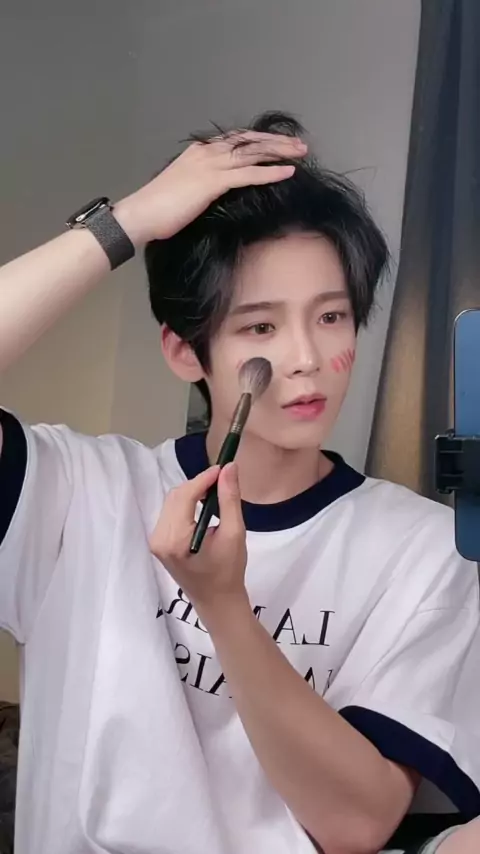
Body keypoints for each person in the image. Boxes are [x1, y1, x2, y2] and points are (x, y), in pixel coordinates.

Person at [0, 111, 479, 854]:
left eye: (332, 317)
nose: (305, 357)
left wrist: (224, 608)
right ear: (184, 352)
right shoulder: (81, 492)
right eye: (260, 327)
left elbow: (357, 824)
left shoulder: (424, 550)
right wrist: (129, 222)